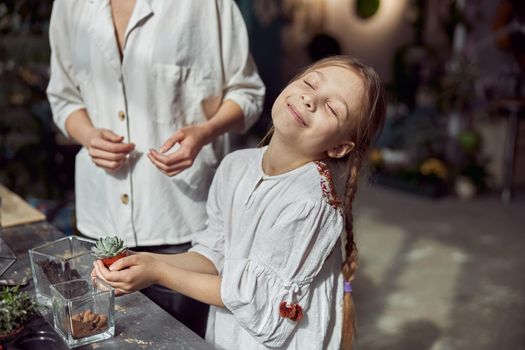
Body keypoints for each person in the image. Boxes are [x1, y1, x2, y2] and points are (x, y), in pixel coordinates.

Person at [93, 55, 386, 349]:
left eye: (332, 108)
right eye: (310, 83)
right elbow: (212, 255)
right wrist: (143, 260)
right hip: (231, 331)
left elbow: (254, 302)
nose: (311, 99)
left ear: (338, 148)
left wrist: (157, 273)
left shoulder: (309, 204)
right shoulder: (236, 165)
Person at [46, 0, 265, 337]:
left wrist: (204, 131)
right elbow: (63, 97)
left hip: (181, 225)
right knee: (102, 338)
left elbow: (247, 92)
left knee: (178, 341)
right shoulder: (69, 5)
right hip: (100, 222)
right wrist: (88, 136)